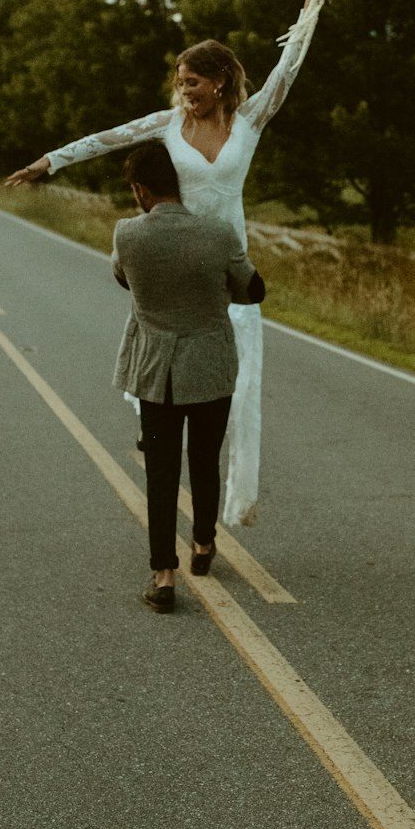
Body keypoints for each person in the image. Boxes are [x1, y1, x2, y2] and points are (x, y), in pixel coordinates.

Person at [5, 0, 330, 527]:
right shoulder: (167, 124)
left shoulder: (250, 122)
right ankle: (152, 425)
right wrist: (49, 162)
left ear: (223, 82)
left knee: (233, 388)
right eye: (181, 81)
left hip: (226, 267)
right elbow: (107, 138)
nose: (186, 90)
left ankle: (219, 509)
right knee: (164, 368)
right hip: (170, 265)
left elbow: (291, 63)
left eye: (195, 82)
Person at [111, 141, 266, 613]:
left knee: (160, 473)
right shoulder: (217, 234)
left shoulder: (128, 235)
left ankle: (163, 577)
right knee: (203, 460)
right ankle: (202, 546)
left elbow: (123, 279)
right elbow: (253, 290)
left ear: (140, 189)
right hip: (210, 367)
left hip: (157, 371)